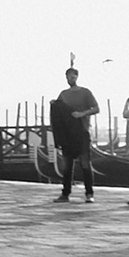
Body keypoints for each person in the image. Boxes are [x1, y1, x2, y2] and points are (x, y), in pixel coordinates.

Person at [51, 66, 100, 203]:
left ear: (77, 77)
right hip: (68, 135)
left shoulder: (85, 92)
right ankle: (65, 194)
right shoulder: (63, 94)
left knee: (85, 163)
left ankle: (89, 194)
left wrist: (81, 114)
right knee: (67, 165)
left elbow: (96, 108)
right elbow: (59, 111)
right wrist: (54, 104)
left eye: (72, 77)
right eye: (68, 77)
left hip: (82, 131)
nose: (70, 79)